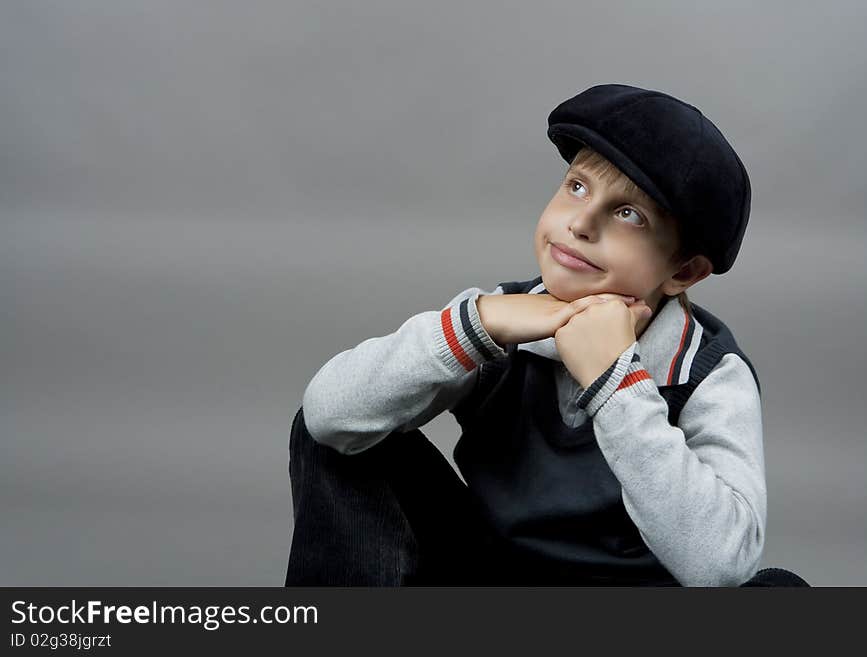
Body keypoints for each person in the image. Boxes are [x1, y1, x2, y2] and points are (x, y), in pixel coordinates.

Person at [285, 83, 810, 587]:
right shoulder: (499, 323)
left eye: (628, 214)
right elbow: (328, 417)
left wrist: (616, 383)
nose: (581, 222)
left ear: (685, 272)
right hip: (491, 578)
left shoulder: (709, 373)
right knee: (345, 430)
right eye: (577, 186)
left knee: (775, 592)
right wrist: (478, 325)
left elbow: (719, 568)